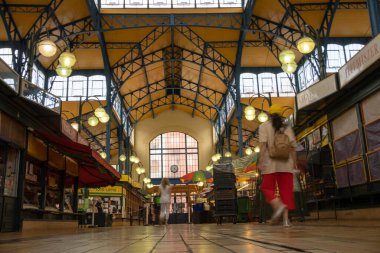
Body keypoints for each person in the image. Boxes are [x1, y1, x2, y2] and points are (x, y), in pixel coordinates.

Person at [257, 104, 298, 227]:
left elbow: (263, 146)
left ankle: (278, 204)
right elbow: (292, 147)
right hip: (286, 163)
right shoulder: (287, 127)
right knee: (286, 190)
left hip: (270, 163)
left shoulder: (264, 126)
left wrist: (260, 161)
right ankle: (286, 220)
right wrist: (294, 162)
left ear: (269, 115)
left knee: (267, 188)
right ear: (281, 115)